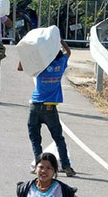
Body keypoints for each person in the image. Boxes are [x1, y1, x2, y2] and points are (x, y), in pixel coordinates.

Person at [20, 46, 77, 178]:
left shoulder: (40, 65)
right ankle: (66, 166)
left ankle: (38, 166)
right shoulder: (60, 64)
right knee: (58, 138)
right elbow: (68, 52)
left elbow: (20, 67)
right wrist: (59, 41)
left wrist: (25, 53)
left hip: (34, 106)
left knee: (35, 139)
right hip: (50, 108)